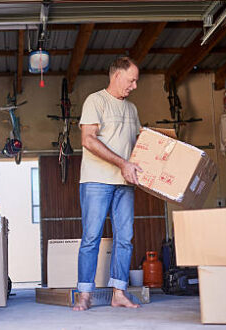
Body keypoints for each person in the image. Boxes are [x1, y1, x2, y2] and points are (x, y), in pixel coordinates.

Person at [73, 57, 142, 311]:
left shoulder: (132, 110)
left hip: (125, 183)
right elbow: (88, 140)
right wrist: (122, 163)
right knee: (91, 237)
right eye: (131, 80)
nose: (134, 86)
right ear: (116, 76)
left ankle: (119, 293)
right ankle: (85, 295)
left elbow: (137, 146)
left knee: (125, 238)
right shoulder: (96, 101)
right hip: (96, 180)